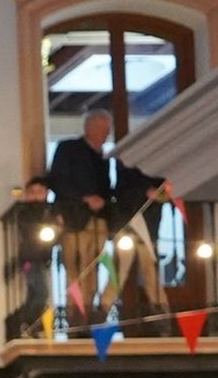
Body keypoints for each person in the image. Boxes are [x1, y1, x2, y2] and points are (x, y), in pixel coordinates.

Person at [48, 104, 169, 317]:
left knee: (93, 268)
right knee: (75, 270)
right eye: (104, 128)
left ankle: (89, 313)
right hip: (74, 219)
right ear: (91, 127)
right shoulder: (69, 149)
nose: (107, 133)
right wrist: (85, 198)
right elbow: (58, 180)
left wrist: (103, 202)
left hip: (100, 219)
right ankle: (75, 315)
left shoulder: (104, 158)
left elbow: (108, 188)